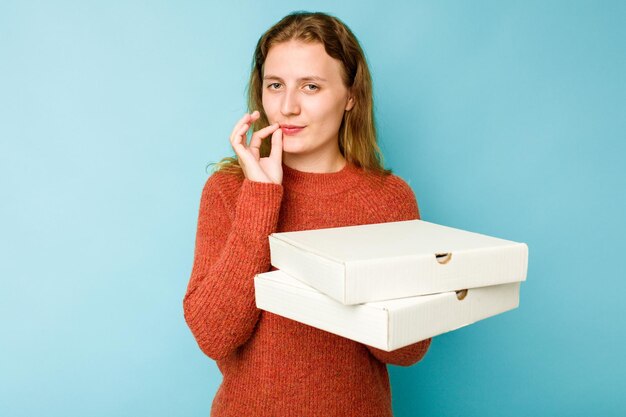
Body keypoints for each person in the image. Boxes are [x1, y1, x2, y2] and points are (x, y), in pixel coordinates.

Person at [183, 11, 431, 417]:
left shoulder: (389, 199)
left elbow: (407, 350)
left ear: (351, 96)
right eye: (275, 85)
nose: (288, 107)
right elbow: (214, 335)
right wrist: (261, 199)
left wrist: (356, 271)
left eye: (311, 87)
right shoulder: (228, 191)